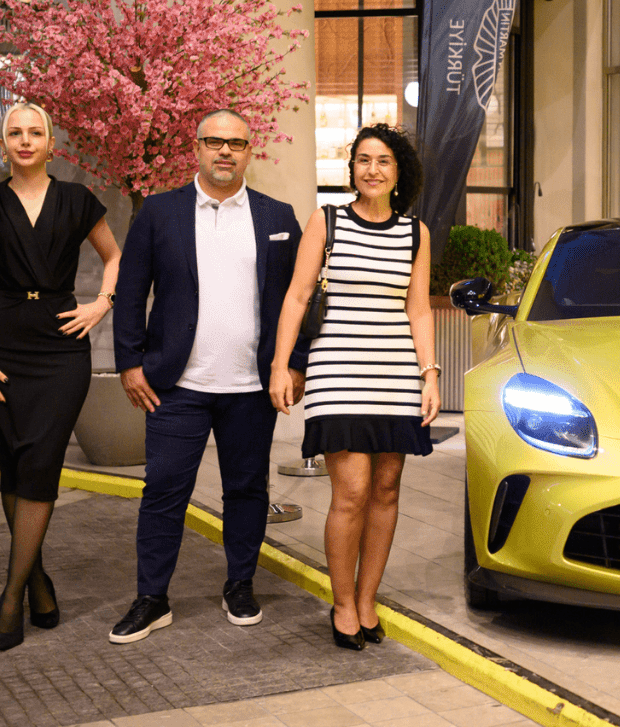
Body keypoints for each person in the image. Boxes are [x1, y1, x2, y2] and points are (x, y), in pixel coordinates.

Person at [108, 109, 310, 644]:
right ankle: (152, 598)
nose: (225, 151)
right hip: (176, 387)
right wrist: (129, 362)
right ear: (196, 148)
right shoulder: (160, 212)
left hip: (251, 388)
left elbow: (300, 296)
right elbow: (130, 290)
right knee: (163, 493)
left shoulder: (277, 216)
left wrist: (294, 363)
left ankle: (239, 585)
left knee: (246, 491)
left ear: (249, 151)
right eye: (214, 141)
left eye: (235, 143)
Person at [268, 124, 440, 650]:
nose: (372, 169)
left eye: (383, 161)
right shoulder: (327, 221)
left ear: (398, 172)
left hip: (395, 372)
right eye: (363, 160)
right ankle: (342, 603)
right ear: (352, 170)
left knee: (386, 489)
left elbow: (418, 309)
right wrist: (280, 365)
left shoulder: (416, 233)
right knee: (353, 490)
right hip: (337, 371)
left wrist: (429, 374)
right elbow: (297, 297)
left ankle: (367, 600)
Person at [0, 102, 121, 651]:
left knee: (41, 460)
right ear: (3, 144)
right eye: (15, 133)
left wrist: (101, 304)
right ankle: (38, 582)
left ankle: (11, 594)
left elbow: (115, 257)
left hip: (60, 348)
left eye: (35, 133)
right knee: (14, 462)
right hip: (1, 344)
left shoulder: (77, 200)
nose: (25, 141)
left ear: (53, 145)